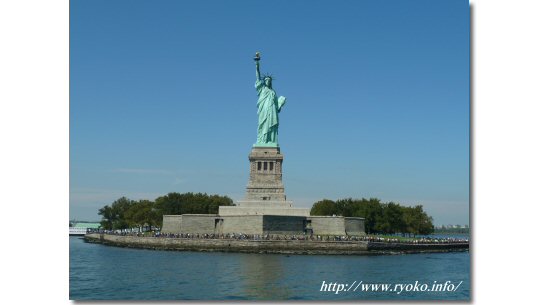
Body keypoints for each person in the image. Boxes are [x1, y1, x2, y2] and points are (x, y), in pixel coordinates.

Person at [254, 59, 286, 146]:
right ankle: (263, 141)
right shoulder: (262, 89)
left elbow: (277, 106)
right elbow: (258, 77)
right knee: (263, 125)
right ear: (264, 81)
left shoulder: (273, 92)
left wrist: (281, 104)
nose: (267, 81)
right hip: (264, 110)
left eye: (269, 80)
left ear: (270, 82)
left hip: (272, 111)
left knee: (271, 126)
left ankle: (271, 141)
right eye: (266, 80)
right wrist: (257, 66)